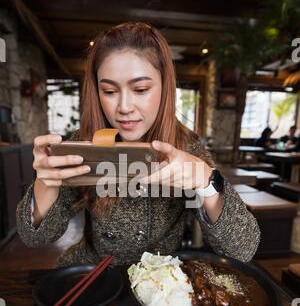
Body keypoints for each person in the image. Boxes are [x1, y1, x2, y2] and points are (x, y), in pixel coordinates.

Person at [16, 22, 260, 267]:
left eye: (141, 89)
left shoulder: (186, 148)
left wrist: (206, 180)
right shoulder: (84, 144)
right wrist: (45, 181)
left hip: (161, 282)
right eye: (109, 91)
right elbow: (35, 238)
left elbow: (242, 249)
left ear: (165, 87)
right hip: (95, 274)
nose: (123, 107)